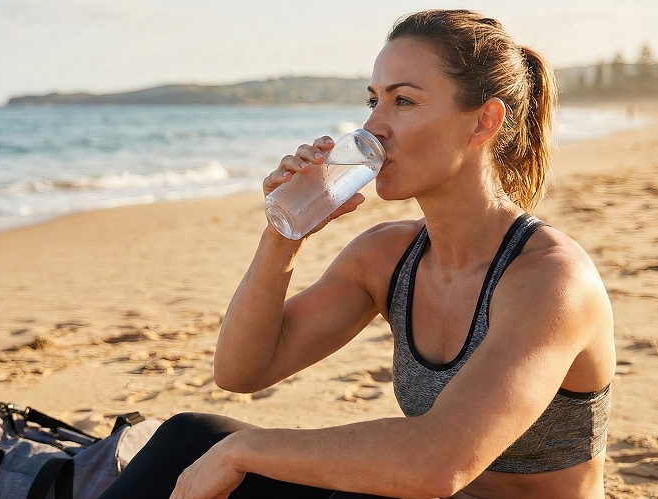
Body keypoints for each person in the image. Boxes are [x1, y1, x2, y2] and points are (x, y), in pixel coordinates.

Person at [97, 9, 615, 499]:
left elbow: (439, 462)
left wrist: (245, 451)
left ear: (483, 123)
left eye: (403, 102)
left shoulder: (550, 280)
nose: (373, 128)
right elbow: (241, 371)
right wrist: (283, 233)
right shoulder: (388, 257)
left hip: (433, 486)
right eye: (373, 102)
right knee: (192, 438)